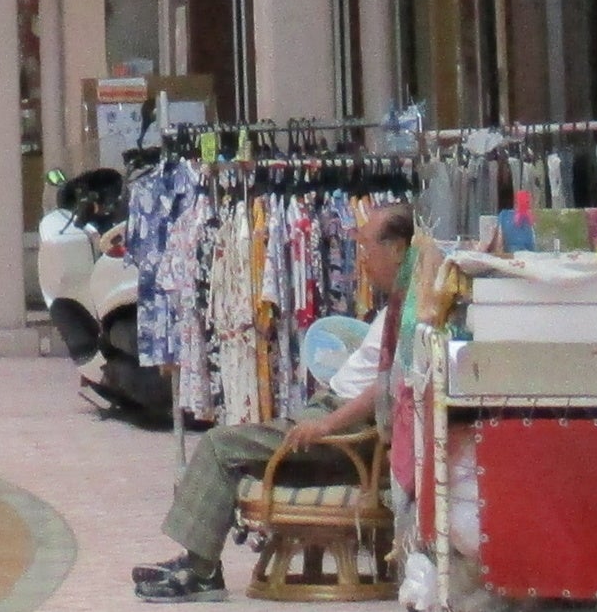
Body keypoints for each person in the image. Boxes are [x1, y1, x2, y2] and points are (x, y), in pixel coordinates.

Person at [133, 198, 413, 605]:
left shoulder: (408, 312)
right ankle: (199, 564)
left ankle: (200, 571)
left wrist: (326, 425)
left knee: (219, 445)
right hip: (333, 413)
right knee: (234, 455)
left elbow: (385, 389)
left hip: (344, 428)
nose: (363, 260)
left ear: (398, 248)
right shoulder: (399, 305)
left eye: (368, 247)